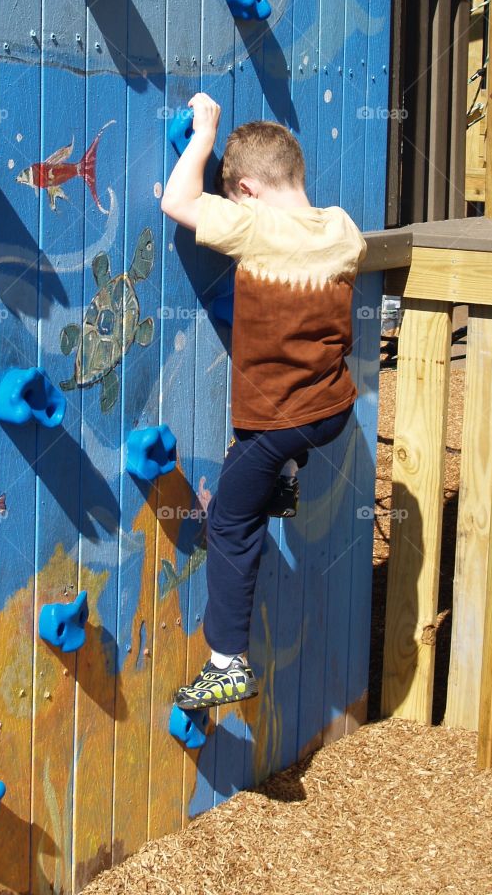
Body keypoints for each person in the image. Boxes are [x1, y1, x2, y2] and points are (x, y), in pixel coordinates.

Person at [160, 93, 367, 710]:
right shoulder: (342, 229)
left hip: (277, 422)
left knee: (229, 520)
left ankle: (226, 661)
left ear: (245, 189)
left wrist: (204, 135)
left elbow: (176, 202)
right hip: (333, 411)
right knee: (283, 451)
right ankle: (283, 480)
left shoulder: (252, 227)